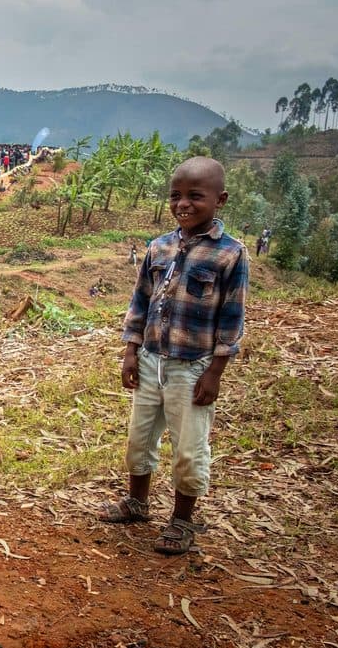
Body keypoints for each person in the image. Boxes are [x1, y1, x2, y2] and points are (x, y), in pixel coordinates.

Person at [98, 157, 248, 555]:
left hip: (192, 366)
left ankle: (182, 521)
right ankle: (137, 503)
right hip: (151, 360)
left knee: (188, 447)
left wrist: (215, 371)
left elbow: (232, 318)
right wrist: (131, 351)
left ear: (221, 200)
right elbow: (140, 302)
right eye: (175, 196)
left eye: (195, 196)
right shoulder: (159, 247)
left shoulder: (230, 255)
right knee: (139, 437)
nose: (183, 204)